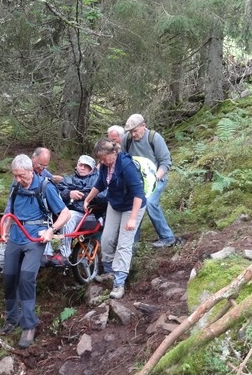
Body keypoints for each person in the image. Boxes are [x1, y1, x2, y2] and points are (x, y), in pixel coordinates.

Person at [0, 154, 70, 348]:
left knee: (26, 277)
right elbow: (9, 211)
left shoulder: (45, 187)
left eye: (21, 175)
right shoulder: (15, 187)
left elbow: (65, 213)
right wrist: (4, 229)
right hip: (16, 235)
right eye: (15, 175)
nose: (18, 179)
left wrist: (51, 230)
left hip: (35, 238)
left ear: (31, 171)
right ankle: (12, 318)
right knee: (8, 277)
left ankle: (29, 324)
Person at [0, 147, 61, 296]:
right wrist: (6, 228)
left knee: (32, 262)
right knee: (3, 256)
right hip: (15, 223)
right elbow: (11, 205)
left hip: (35, 227)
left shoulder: (44, 176)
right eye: (40, 164)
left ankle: (25, 296)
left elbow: (53, 188)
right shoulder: (20, 176)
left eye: (45, 165)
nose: (42, 168)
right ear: (33, 159)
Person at [83, 138, 146, 299]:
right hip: (115, 204)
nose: (102, 161)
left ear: (113, 153)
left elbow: (139, 193)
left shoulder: (126, 165)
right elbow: (100, 184)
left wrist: (132, 218)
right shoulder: (105, 166)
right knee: (107, 239)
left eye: (104, 158)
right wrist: (88, 199)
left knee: (124, 244)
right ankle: (110, 272)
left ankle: (119, 283)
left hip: (133, 206)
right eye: (100, 159)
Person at [123, 113, 176, 248]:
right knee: (134, 206)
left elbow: (166, 161)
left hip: (156, 177)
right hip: (136, 181)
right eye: (130, 132)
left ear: (143, 126)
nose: (133, 135)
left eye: (135, 131)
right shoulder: (126, 140)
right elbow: (123, 160)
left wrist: (156, 177)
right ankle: (133, 243)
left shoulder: (154, 138)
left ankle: (167, 237)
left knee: (150, 203)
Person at [47, 154, 102, 266]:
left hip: (89, 214)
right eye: (81, 165)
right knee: (45, 217)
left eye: (86, 166)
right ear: (77, 165)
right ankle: (46, 252)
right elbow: (55, 194)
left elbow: (102, 197)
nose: (83, 168)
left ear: (92, 169)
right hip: (66, 210)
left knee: (69, 216)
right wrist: (68, 193)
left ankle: (64, 254)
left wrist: (85, 197)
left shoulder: (98, 181)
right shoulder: (68, 179)